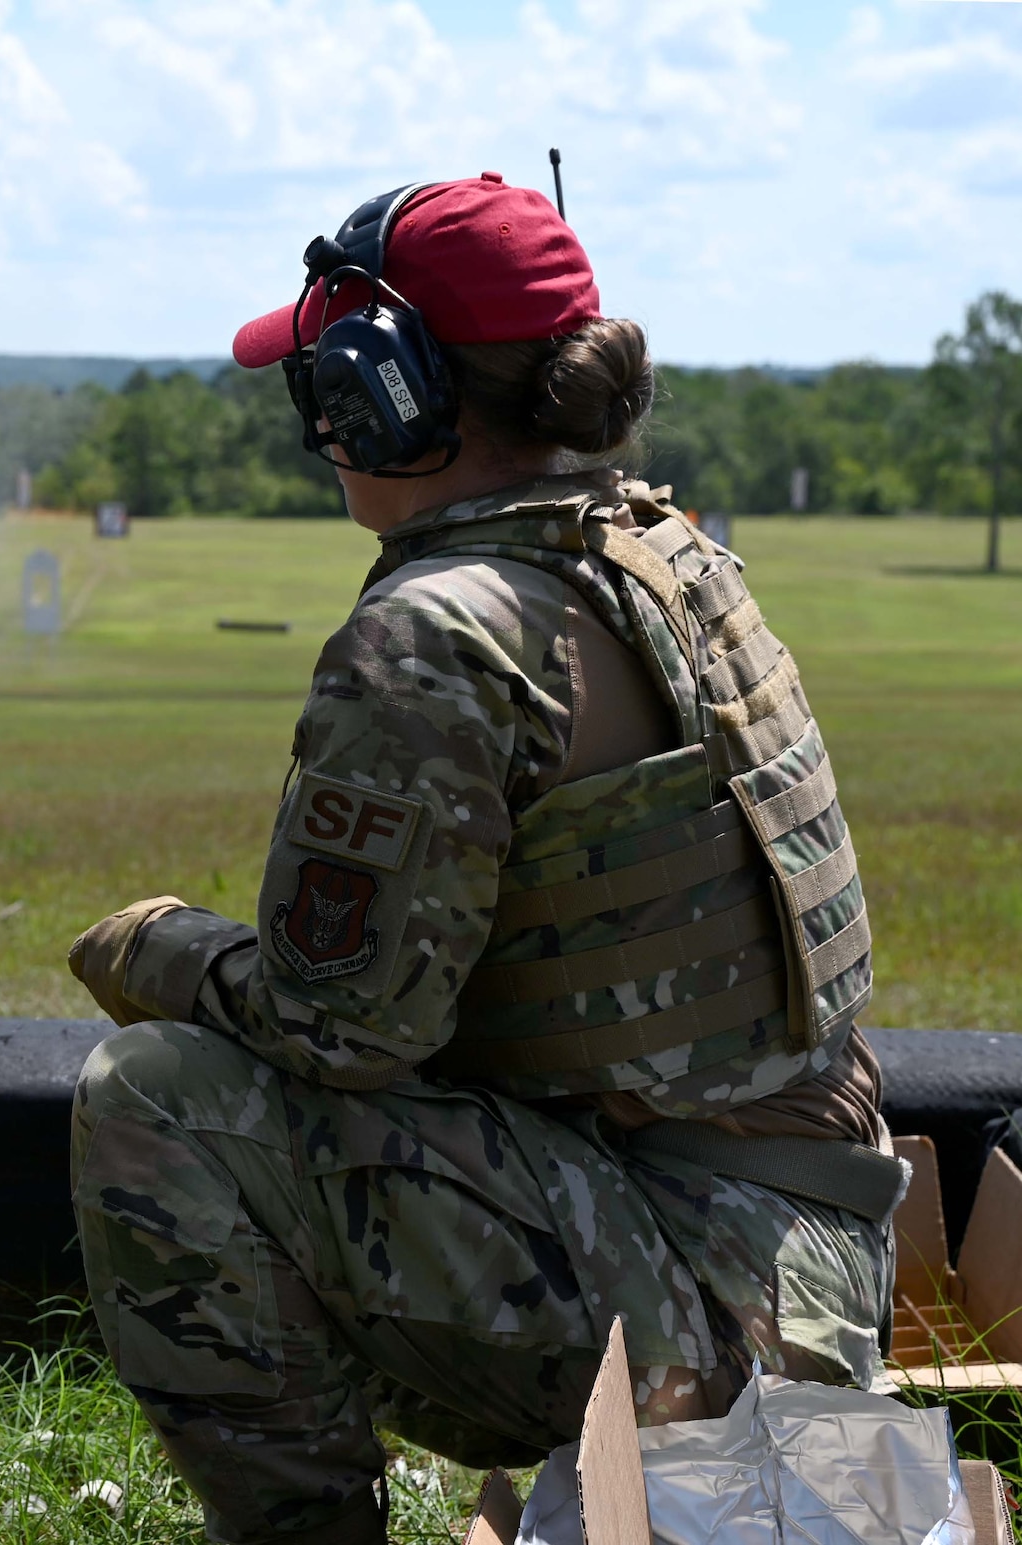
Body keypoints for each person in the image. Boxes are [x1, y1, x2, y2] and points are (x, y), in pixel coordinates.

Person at [66, 174, 895, 1544]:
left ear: (386, 394)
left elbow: (340, 1026)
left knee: (153, 1096)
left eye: (326, 388)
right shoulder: (680, 558)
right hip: (809, 1266)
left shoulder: (442, 630)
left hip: (698, 1310)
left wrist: (157, 946)